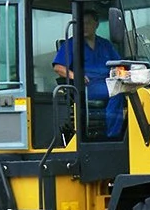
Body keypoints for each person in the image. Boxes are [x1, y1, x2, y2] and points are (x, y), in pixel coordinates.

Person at [52, 9, 124, 138]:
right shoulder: (72, 44)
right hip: (86, 86)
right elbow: (58, 67)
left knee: (130, 91)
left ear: (96, 24)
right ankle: (113, 136)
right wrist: (76, 76)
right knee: (117, 92)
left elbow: (119, 64)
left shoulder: (105, 44)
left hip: (108, 82)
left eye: (88, 23)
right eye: (82, 23)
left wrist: (122, 75)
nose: (84, 26)